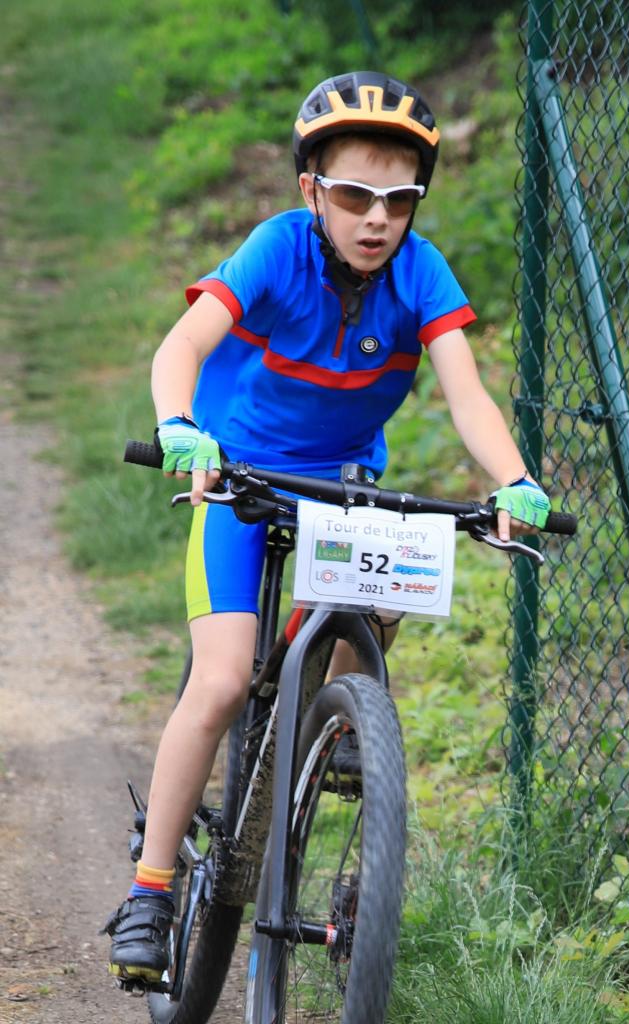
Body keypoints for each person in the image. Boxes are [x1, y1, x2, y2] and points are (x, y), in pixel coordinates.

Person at [103, 70, 550, 984]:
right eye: (353, 196)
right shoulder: (276, 247)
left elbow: (467, 395)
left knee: (383, 587)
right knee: (222, 681)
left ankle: (337, 733)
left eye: (399, 199)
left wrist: (514, 480)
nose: (376, 219)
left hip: (342, 486)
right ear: (312, 190)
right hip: (238, 476)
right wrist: (179, 426)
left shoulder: (421, 273)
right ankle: (150, 891)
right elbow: (184, 344)